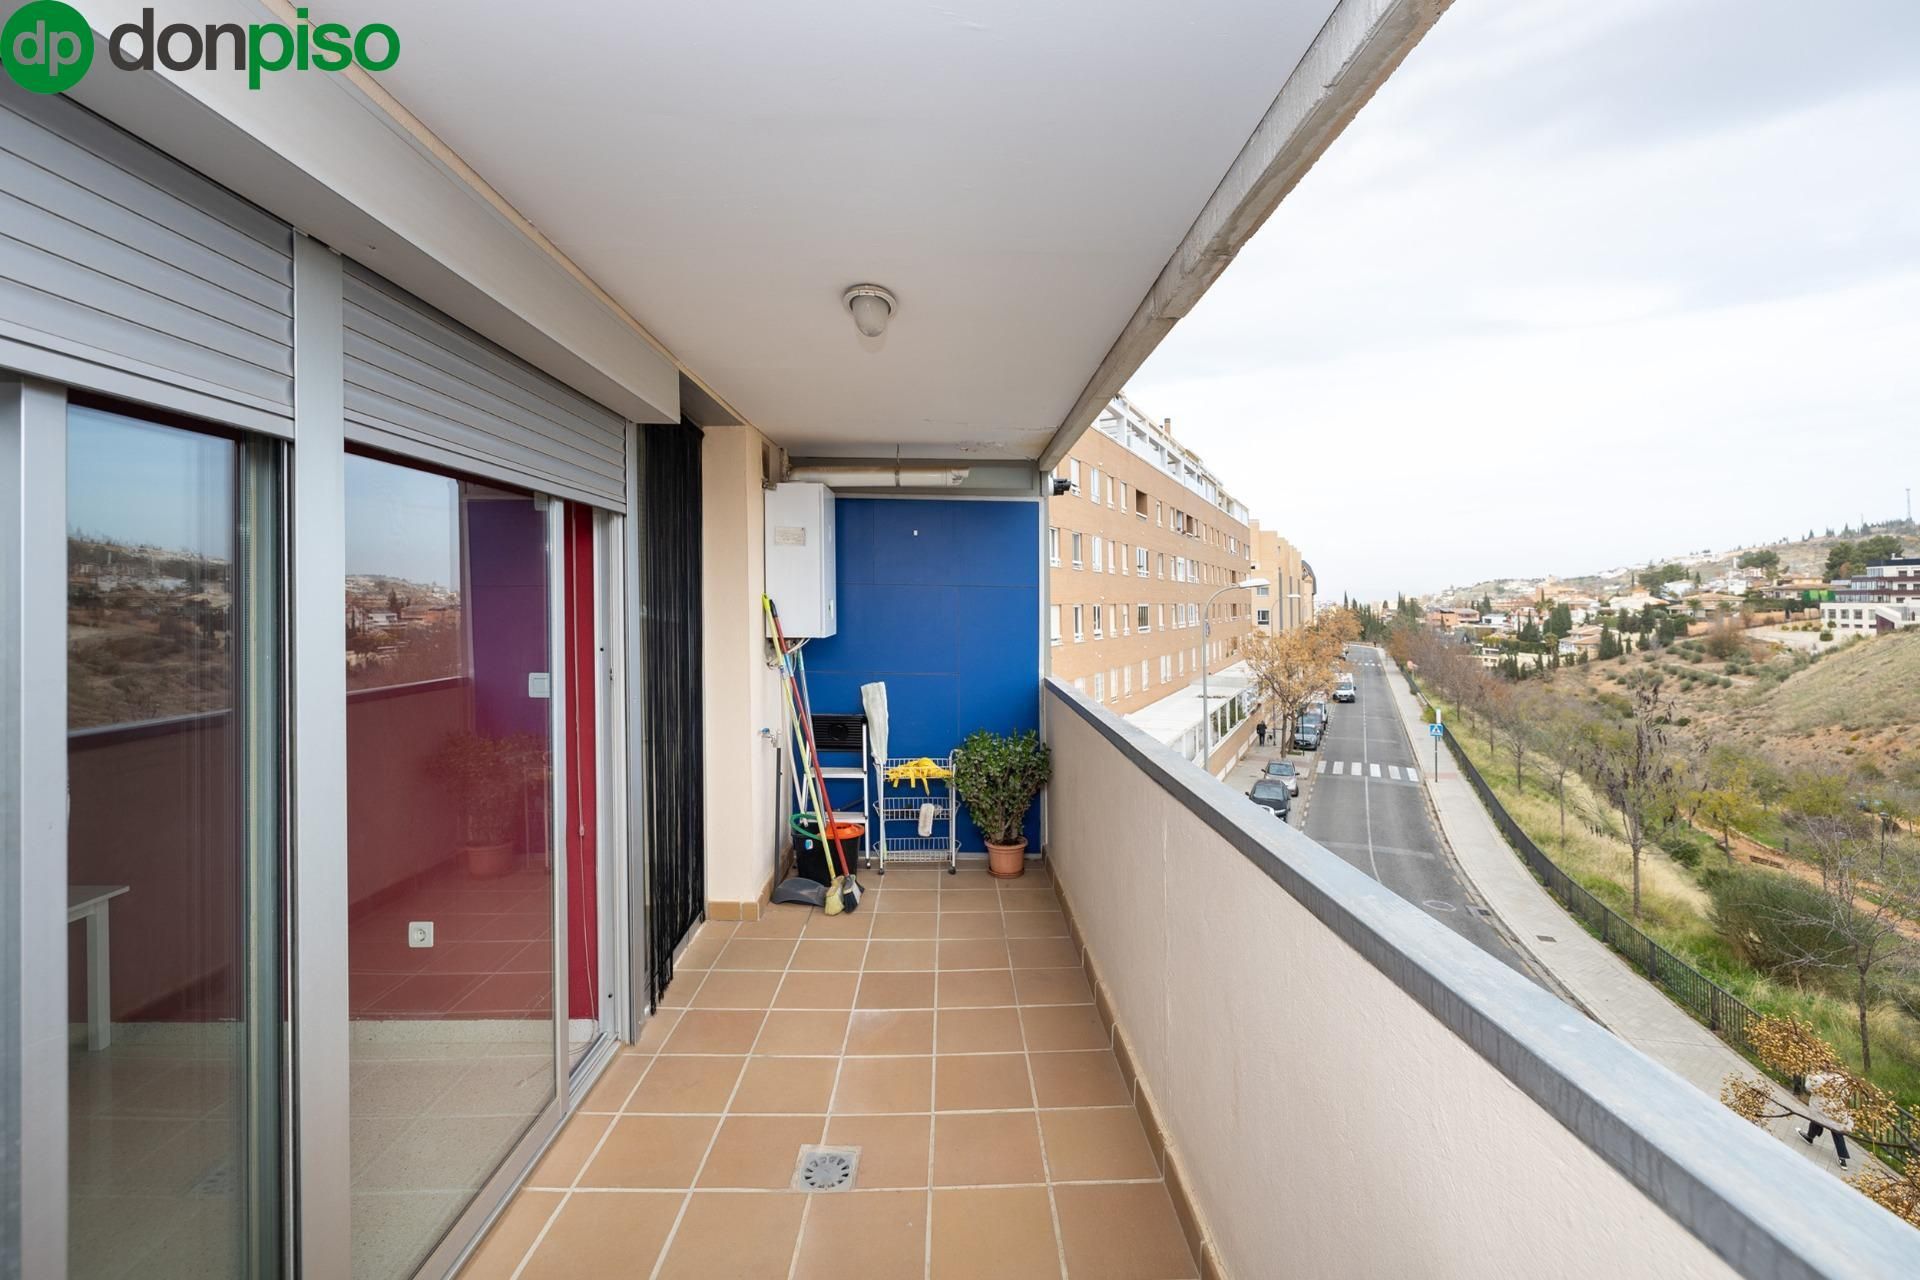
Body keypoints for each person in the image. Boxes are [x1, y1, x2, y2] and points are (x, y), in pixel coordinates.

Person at [1797, 1072, 1851, 1169]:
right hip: (1835, 1110)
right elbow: (1846, 1094)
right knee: (1836, 1130)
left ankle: (1810, 1137)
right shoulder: (1840, 1078)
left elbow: (1808, 1087)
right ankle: (1842, 1158)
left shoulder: (1818, 1078)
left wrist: (1809, 1076)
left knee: (1818, 1120)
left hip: (1822, 1107)